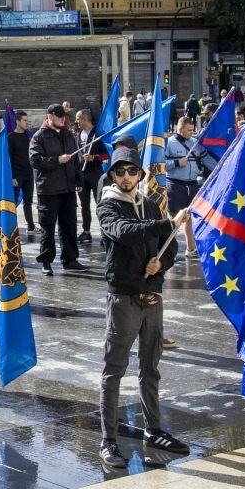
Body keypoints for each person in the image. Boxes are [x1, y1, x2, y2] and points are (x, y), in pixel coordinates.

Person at [96, 143, 185, 467]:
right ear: (113, 175)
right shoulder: (108, 206)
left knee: (150, 366)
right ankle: (108, 440)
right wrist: (166, 224)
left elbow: (169, 246)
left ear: (140, 174)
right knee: (114, 369)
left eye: (132, 170)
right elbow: (124, 232)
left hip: (152, 296)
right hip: (123, 296)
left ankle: (154, 428)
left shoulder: (149, 204)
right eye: (120, 171)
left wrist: (160, 265)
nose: (127, 176)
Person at [30, 104, 86, 273]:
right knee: (48, 227)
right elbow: (35, 161)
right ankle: (46, 262)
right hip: (49, 189)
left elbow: (75, 159)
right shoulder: (39, 137)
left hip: (68, 188)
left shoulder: (68, 135)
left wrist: (78, 179)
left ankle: (70, 260)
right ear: (50, 116)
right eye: (59, 116)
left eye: (64, 116)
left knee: (69, 226)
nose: (63, 119)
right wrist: (57, 160)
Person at [163, 117, 207, 258]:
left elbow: (205, 159)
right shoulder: (168, 143)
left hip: (193, 185)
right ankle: (170, 251)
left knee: (189, 218)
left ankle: (191, 249)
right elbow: (159, 164)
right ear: (180, 129)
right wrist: (176, 163)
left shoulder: (195, 143)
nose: (191, 133)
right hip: (175, 185)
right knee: (174, 219)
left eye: (193, 130)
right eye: (189, 130)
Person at [74, 108, 102, 244]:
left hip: (96, 173)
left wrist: (94, 157)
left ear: (85, 119)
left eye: (78, 118)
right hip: (82, 175)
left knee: (101, 204)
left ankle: (105, 232)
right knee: (84, 205)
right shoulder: (78, 134)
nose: (76, 121)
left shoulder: (99, 133)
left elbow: (108, 153)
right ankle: (86, 232)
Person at [9, 111, 36, 235]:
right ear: (18, 121)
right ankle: (10, 226)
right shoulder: (11, 137)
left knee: (28, 201)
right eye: (24, 120)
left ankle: (31, 226)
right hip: (17, 175)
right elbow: (9, 158)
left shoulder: (29, 136)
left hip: (29, 174)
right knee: (12, 201)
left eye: (27, 120)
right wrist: (13, 176)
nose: (27, 122)